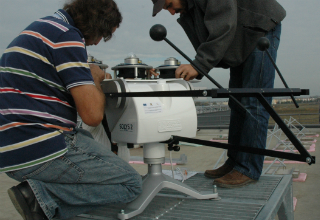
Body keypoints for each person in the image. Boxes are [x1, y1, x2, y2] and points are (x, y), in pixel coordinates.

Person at [0, 0, 142, 219]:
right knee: (131, 183)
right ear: (97, 25)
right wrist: (94, 77)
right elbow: (93, 116)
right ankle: (42, 197)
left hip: (11, 152)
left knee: (83, 136)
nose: (95, 44)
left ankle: (44, 204)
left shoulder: (40, 29)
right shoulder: (66, 36)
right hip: (42, 147)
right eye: (103, 35)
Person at [151, 0, 286, 188]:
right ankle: (235, 162)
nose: (172, 12)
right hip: (242, 32)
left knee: (254, 102)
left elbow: (224, 23)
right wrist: (200, 63)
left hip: (260, 28)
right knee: (237, 102)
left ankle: (248, 168)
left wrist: (199, 64)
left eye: (169, 5)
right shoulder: (189, 8)